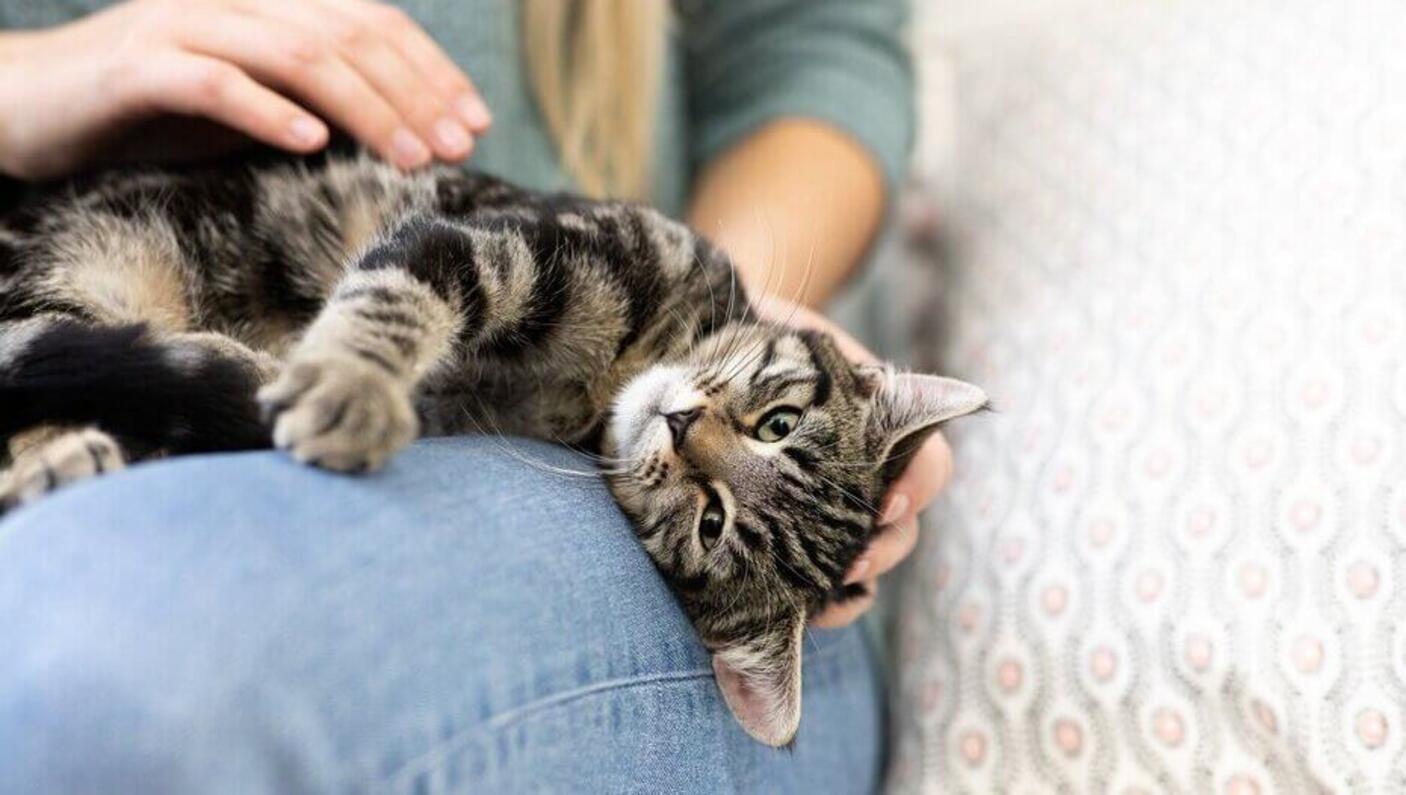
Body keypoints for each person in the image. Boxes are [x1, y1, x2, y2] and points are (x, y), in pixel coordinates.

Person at [0, 1, 935, 790]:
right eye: (760, 429)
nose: (696, 435)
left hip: (561, 502)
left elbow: (812, 47)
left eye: (714, 506)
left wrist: (756, 308)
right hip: (174, 291)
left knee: (110, 658)